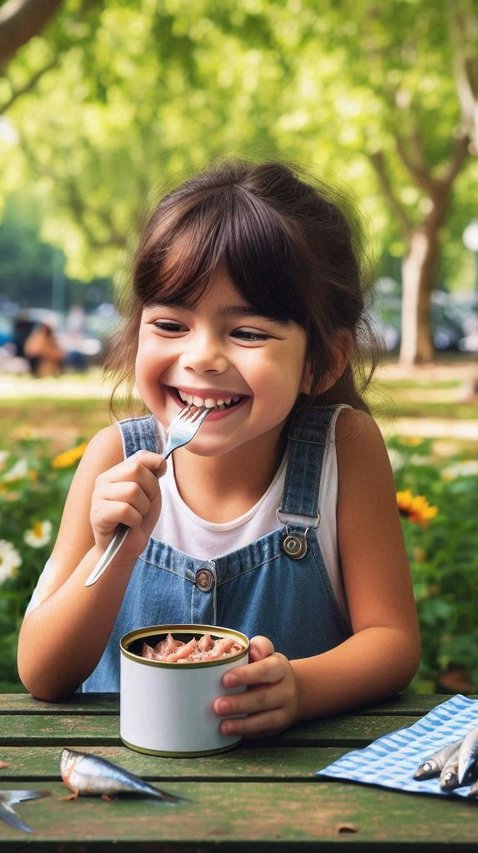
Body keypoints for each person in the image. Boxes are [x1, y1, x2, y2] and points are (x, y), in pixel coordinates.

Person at [17, 160, 420, 738]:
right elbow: (42, 672)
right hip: (119, 790)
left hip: (291, 801)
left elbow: (393, 641)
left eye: (248, 332)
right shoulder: (113, 457)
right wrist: (112, 553)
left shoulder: (342, 451)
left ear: (322, 361)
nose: (202, 357)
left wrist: (301, 688)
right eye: (171, 325)